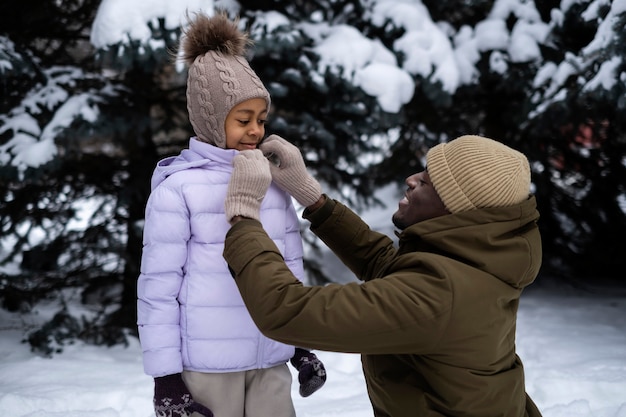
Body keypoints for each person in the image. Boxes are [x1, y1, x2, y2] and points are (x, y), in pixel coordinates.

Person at [222, 134, 544, 417]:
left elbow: (286, 310)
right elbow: (385, 264)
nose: (411, 178)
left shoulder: (438, 297)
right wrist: (313, 198)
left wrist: (243, 216)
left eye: (429, 181)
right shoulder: (475, 263)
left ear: (455, 209)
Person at [137, 12, 325, 417]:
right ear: (210, 118)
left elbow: (289, 267)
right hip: (207, 366)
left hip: (270, 354)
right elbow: (158, 291)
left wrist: (300, 344)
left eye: (260, 119)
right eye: (243, 120)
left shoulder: (273, 182)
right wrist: (166, 378)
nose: (256, 130)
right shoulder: (179, 189)